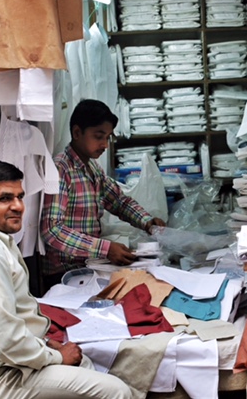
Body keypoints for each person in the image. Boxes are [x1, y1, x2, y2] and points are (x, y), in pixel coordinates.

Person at [0, 159, 132, 398]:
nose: (18, 206)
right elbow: (9, 342)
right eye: (5, 198)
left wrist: (45, 345)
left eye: (19, 196)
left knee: (85, 363)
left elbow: (11, 323)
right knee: (116, 392)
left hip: (1, 366)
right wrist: (56, 356)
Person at [40, 99, 165, 291]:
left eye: (107, 137)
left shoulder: (92, 168)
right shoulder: (61, 170)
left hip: (89, 267)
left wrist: (147, 221)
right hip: (63, 275)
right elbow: (52, 230)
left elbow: (119, 202)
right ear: (76, 132)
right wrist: (105, 249)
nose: (105, 145)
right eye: (99, 136)